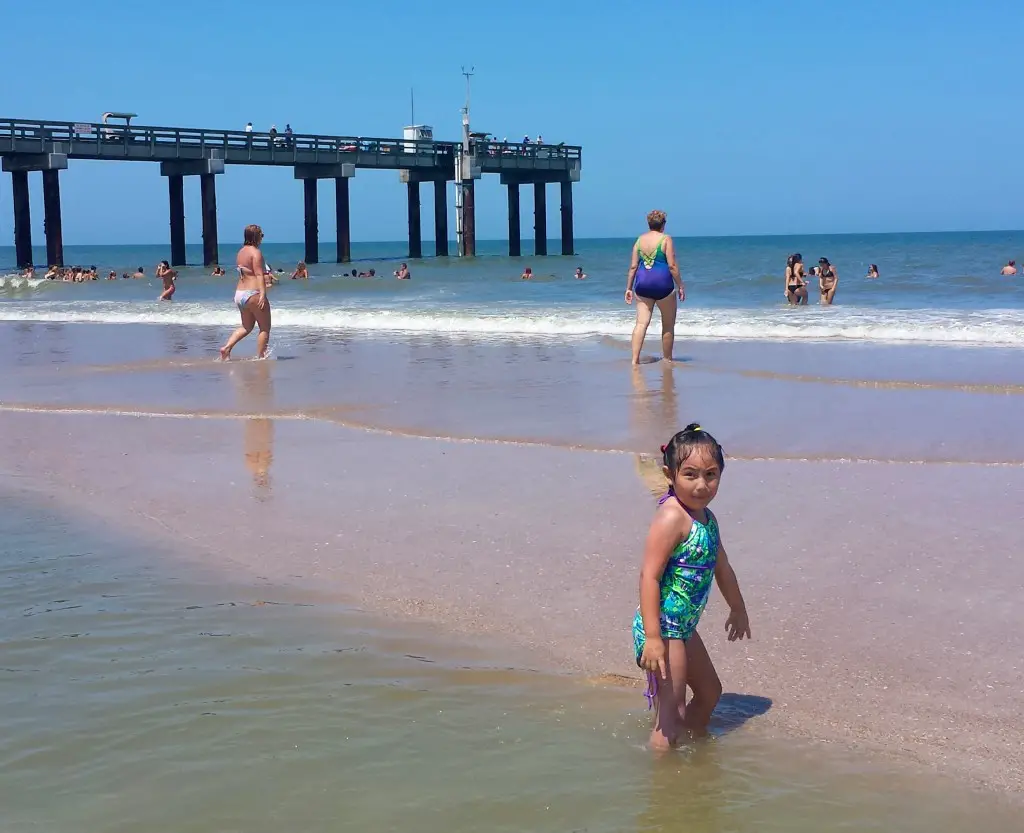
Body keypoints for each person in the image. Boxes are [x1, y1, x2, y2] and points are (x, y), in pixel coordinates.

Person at [633, 424, 751, 748]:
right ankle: (666, 786)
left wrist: (738, 608)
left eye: (711, 475)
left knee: (710, 692)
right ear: (670, 474)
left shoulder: (707, 518)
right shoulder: (672, 517)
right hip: (663, 626)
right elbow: (649, 576)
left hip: (683, 626)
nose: (702, 485)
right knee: (671, 710)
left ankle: (691, 750)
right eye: (691, 474)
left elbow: (722, 568)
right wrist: (654, 639)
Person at [625, 210, 684, 366]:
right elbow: (671, 266)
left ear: (648, 224)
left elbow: (633, 267)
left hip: (642, 285)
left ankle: (634, 360)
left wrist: (628, 288)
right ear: (663, 225)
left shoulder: (639, 241)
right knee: (668, 324)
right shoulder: (666, 239)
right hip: (663, 285)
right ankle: (667, 359)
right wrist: (681, 285)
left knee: (641, 324)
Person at [220, 224, 271, 360]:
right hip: (253, 293)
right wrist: (263, 294)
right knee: (265, 328)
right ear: (255, 237)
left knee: (246, 327)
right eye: (261, 235)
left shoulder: (241, 252)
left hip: (240, 294)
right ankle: (261, 358)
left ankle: (227, 348)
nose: (262, 237)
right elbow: (259, 275)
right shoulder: (256, 252)